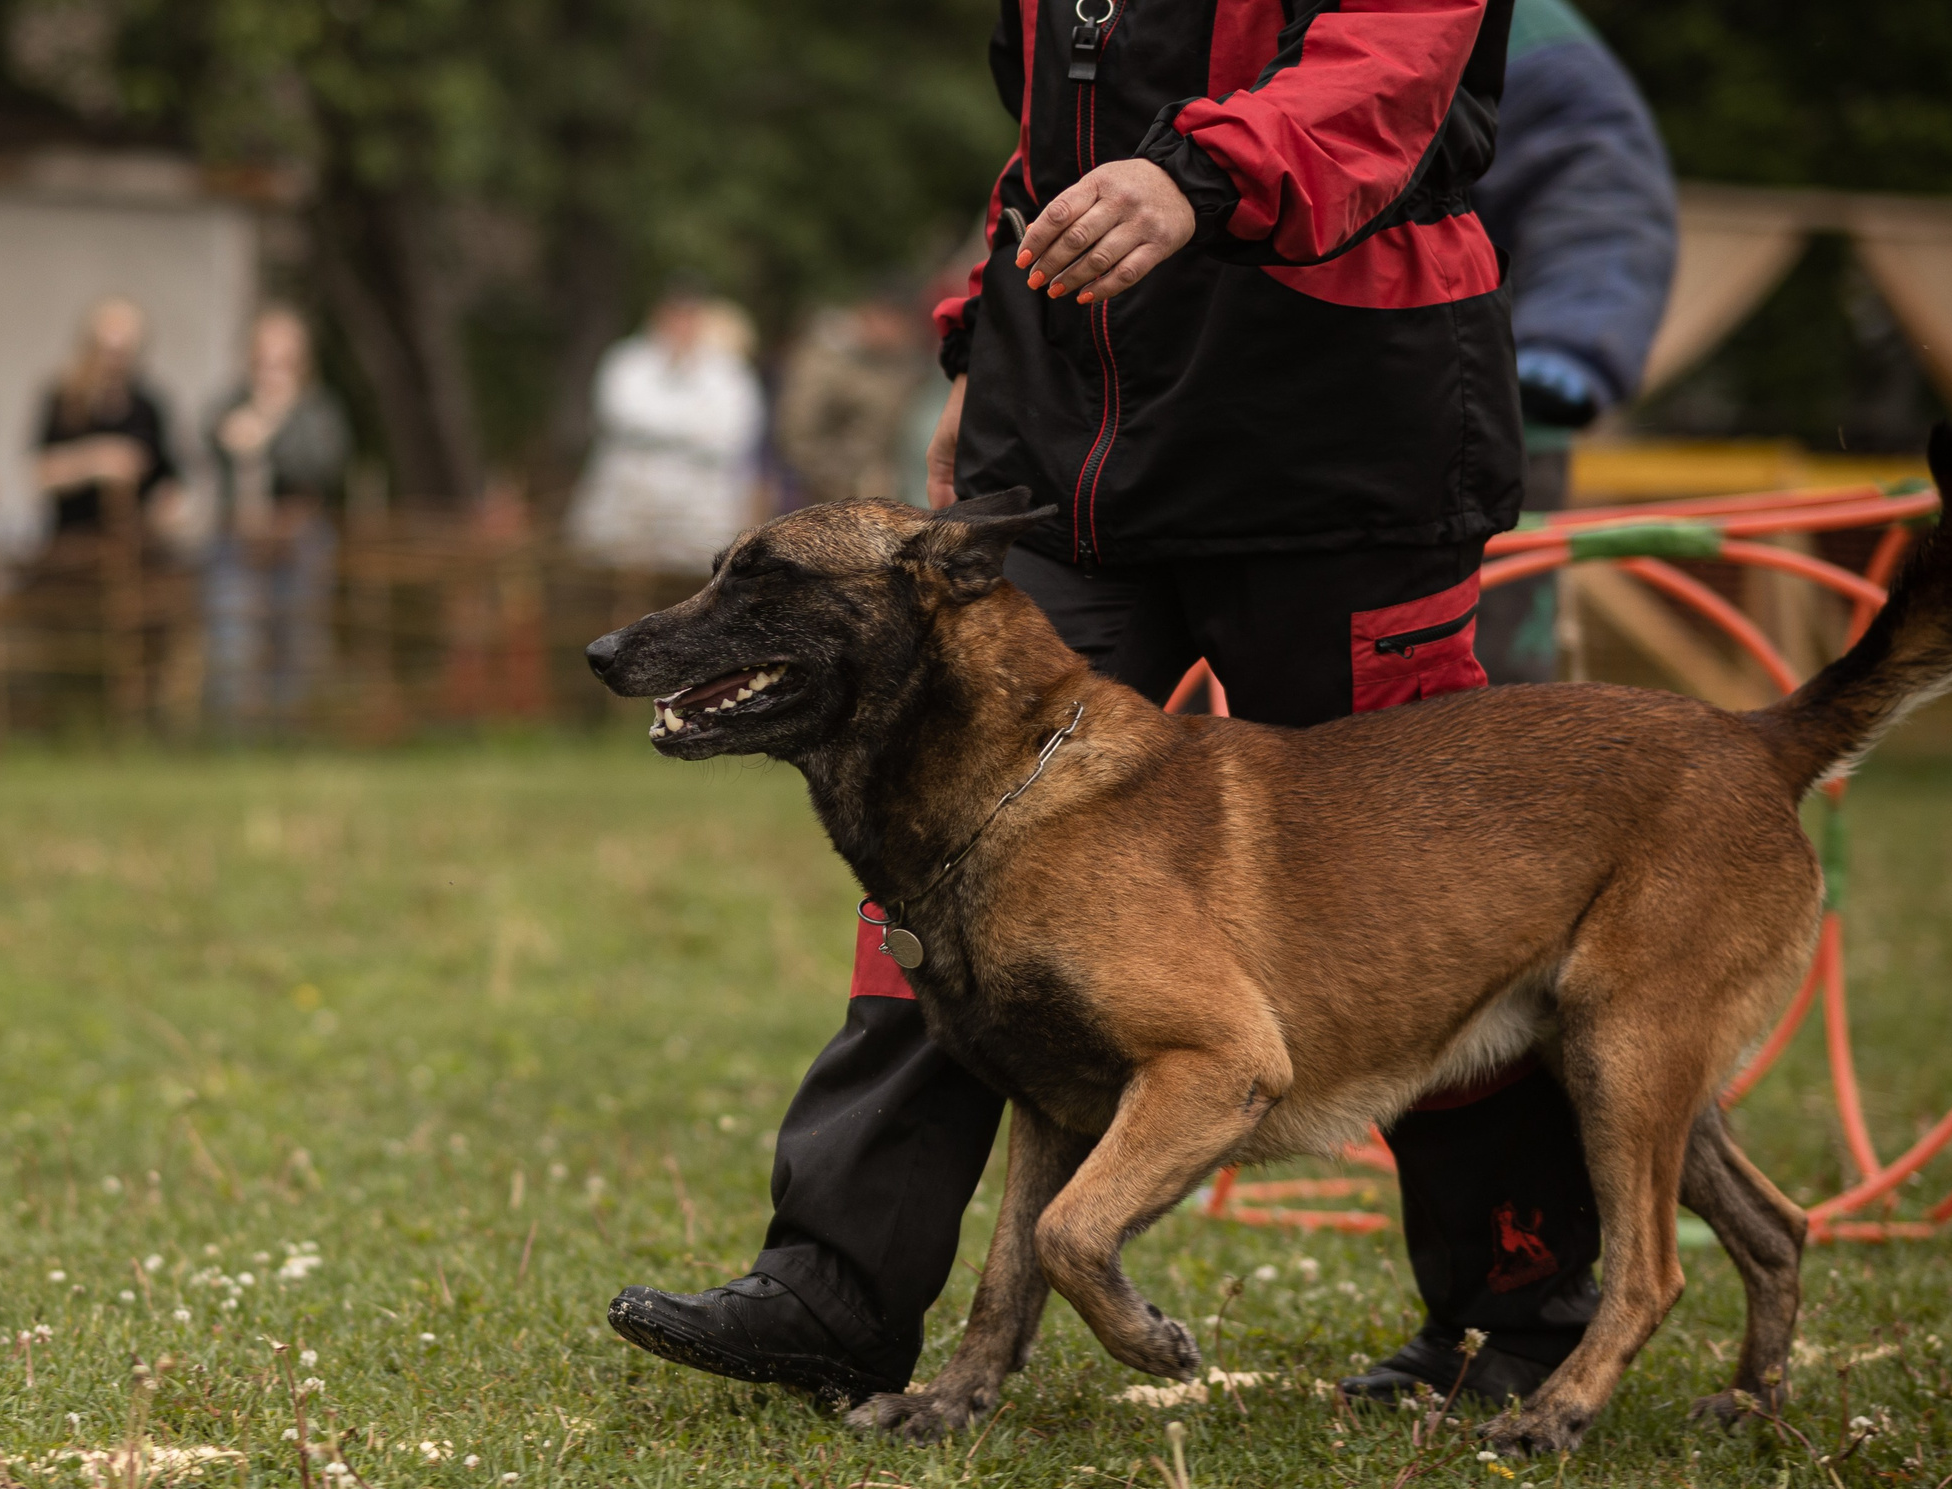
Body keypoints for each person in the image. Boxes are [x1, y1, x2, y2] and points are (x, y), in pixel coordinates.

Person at [611, 0, 1607, 1413]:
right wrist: (981, 338)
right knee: (933, 848)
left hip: (1334, 454)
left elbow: (1381, 81)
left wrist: (1195, 180)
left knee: (1417, 892)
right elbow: (1050, 145)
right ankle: (836, 1285)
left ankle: (1519, 1312)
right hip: (1067, 451)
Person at [1468, 0, 1678, 686]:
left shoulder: (1512, 26)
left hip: (1472, 416)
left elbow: (1597, 177)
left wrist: (1571, 335)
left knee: (1473, 725)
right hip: (1187, 422)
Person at [204, 306, 350, 733]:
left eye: (284, 360)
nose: (273, 370)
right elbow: (210, 444)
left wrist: (273, 426)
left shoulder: (318, 412)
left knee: (297, 643)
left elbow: (324, 467)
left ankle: (291, 737)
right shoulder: (229, 404)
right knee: (233, 642)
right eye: (265, 358)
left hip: (297, 540)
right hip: (239, 539)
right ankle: (233, 739)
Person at [565, 282, 765, 572]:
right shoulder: (627, 362)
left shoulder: (727, 372)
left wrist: (658, 429)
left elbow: (730, 436)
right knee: (617, 571)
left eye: (690, 315)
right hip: (629, 498)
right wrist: (692, 428)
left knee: (690, 584)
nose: (681, 324)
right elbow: (620, 417)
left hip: (699, 507)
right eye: (675, 314)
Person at [34, 297, 177, 543]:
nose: (114, 362)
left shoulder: (147, 406)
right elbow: (39, 473)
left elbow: (169, 480)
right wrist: (96, 462)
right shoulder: (65, 400)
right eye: (107, 351)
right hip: (72, 545)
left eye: (123, 352)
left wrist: (165, 510)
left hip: (132, 546)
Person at [773, 283, 932, 503]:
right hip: (833, 498)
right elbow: (798, 433)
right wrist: (843, 482)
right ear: (868, 313)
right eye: (889, 318)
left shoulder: (905, 366)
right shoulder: (826, 361)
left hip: (893, 496)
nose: (896, 330)